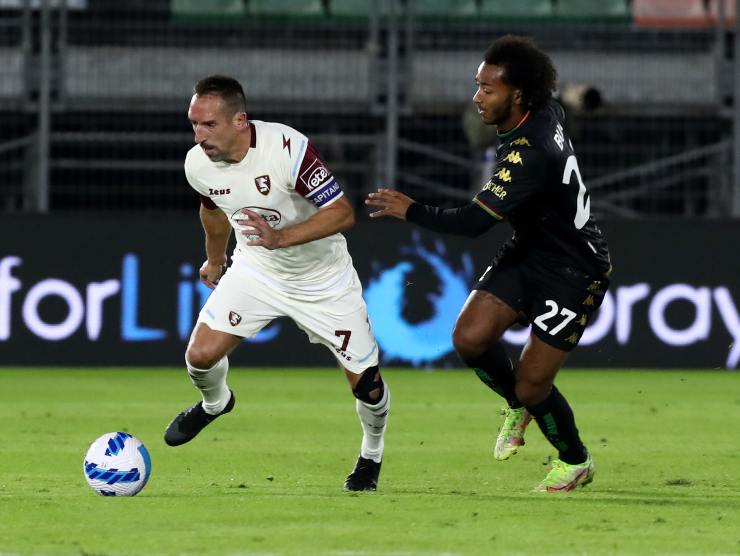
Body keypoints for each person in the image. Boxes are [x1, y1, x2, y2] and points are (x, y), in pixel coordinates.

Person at [365, 36, 611, 493]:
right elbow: (550, 93)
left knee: (536, 387)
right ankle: (515, 402)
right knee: (470, 337)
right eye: (477, 86)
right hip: (528, 250)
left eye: (487, 89)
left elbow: (475, 222)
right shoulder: (543, 109)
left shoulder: (530, 154)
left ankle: (575, 460)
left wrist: (412, 210)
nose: (477, 97)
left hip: (575, 269)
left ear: (516, 95)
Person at [164, 75, 390, 492]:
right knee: (199, 357)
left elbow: (342, 213)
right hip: (258, 270)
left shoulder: (288, 149)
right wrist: (215, 259)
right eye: (193, 124)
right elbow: (213, 212)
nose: (199, 135)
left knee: (368, 388)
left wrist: (281, 237)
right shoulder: (197, 163)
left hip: (324, 279)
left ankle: (371, 456)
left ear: (239, 121)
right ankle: (216, 403)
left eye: (208, 125)